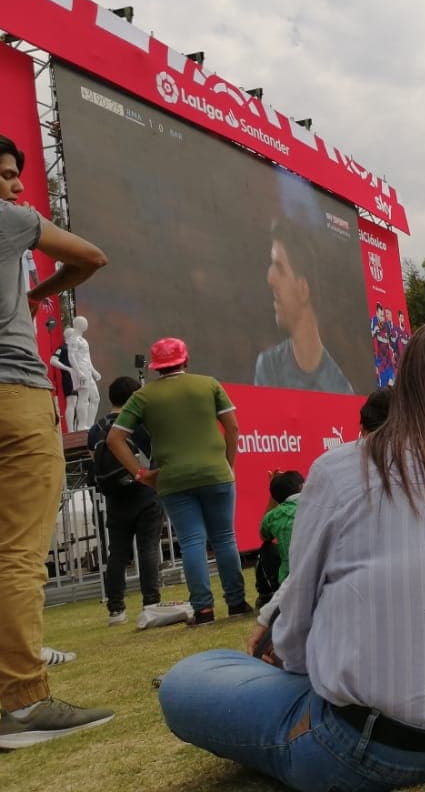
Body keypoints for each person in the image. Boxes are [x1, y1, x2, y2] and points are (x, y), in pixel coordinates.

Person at [158, 319, 425, 792]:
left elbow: (296, 632)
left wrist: (289, 653)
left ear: (408, 384)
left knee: (190, 678)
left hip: (376, 748)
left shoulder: (340, 469)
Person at [0, 133, 114, 748]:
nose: (16, 185)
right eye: (4, 175)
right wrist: (37, 295)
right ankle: (22, 704)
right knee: (18, 556)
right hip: (13, 394)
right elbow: (92, 258)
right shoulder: (12, 220)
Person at [107, 337, 251, 625]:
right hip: (216, 473)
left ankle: (203, 610)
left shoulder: (143, 396)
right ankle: (236, 603)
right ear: (186, 360)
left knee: (191, 541)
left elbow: (114, 438)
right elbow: (233, 427)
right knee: (224, 538)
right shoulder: (209, 384)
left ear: (155, 367)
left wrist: (141, 473)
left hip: (172, 479)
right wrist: (228, 464)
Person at [86, 376, 182, 628]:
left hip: (114, 498)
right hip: (144, 492)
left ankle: (116, 609)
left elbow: (96, 461)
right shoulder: (139, 425)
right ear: (134, 397)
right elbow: (156, 454)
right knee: (148, 547)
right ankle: (151, 602)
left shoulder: (96, 429)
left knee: (117, 552)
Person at [254, 217, 353, 394]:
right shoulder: (268, 366)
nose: (270, 278)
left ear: (303, 290)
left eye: (280, 269)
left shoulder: (339, 388)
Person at [259, 471, 304, 584]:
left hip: (288, 580)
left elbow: (264, 535)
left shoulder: (273, 516)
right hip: (327, 574)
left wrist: (274, 491)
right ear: (301, 486)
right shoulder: (321, 504)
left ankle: (268, 590)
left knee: (267, 548)